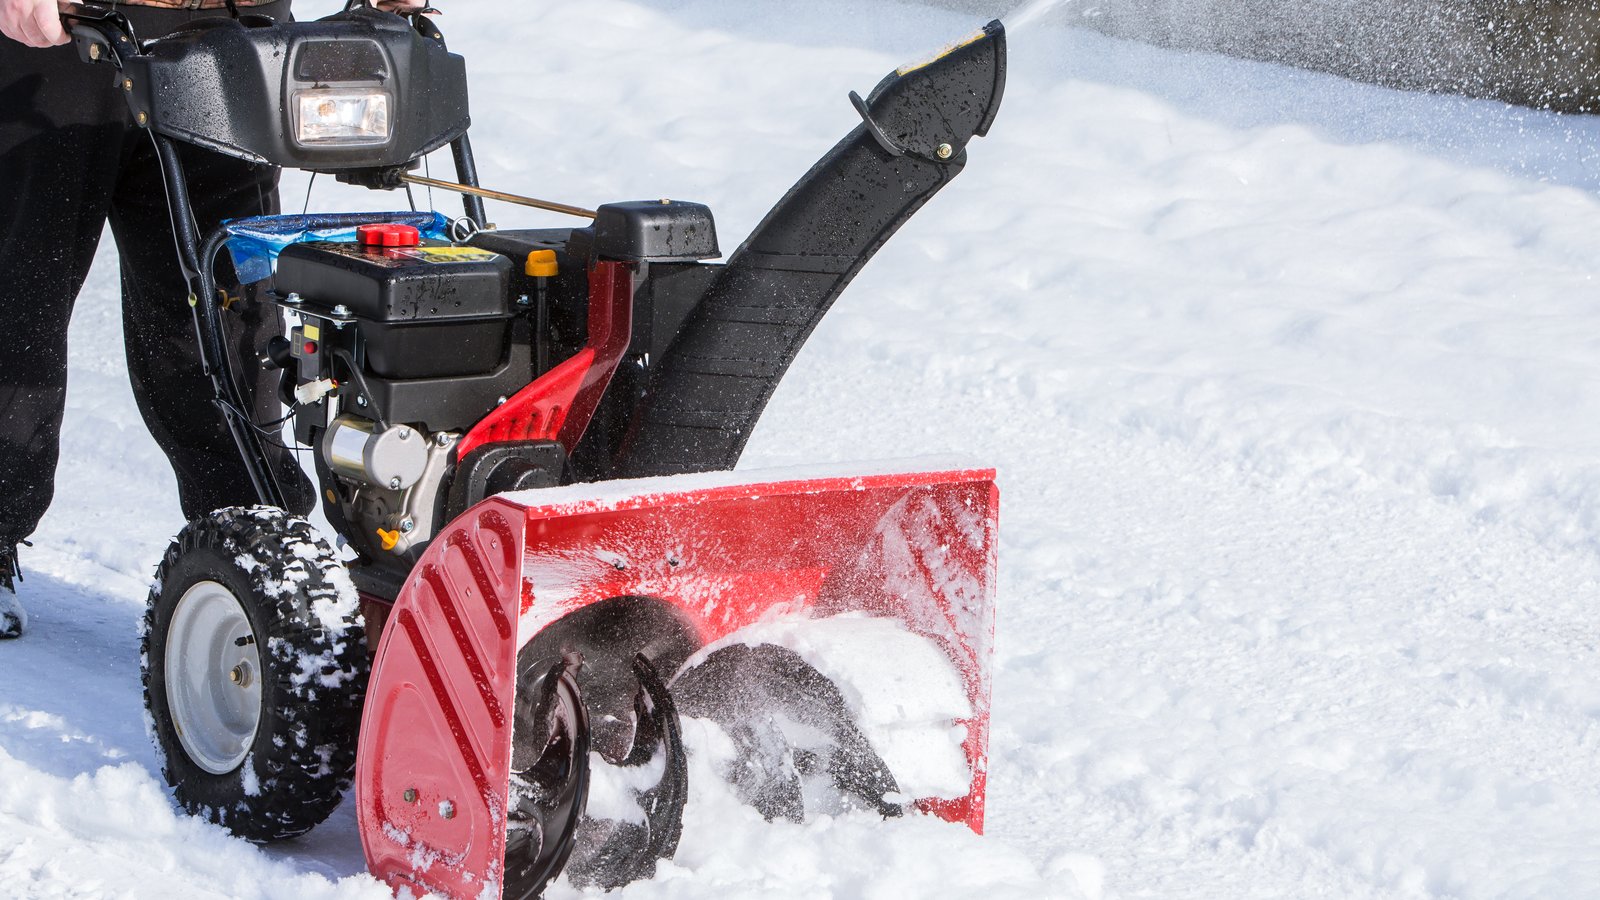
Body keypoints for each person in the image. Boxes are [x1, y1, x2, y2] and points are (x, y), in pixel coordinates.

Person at [0, 0, 423, 639]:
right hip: (54, 39)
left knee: (227, 312)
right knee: (20, 295)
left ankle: (253, 553)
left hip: (229, 32)